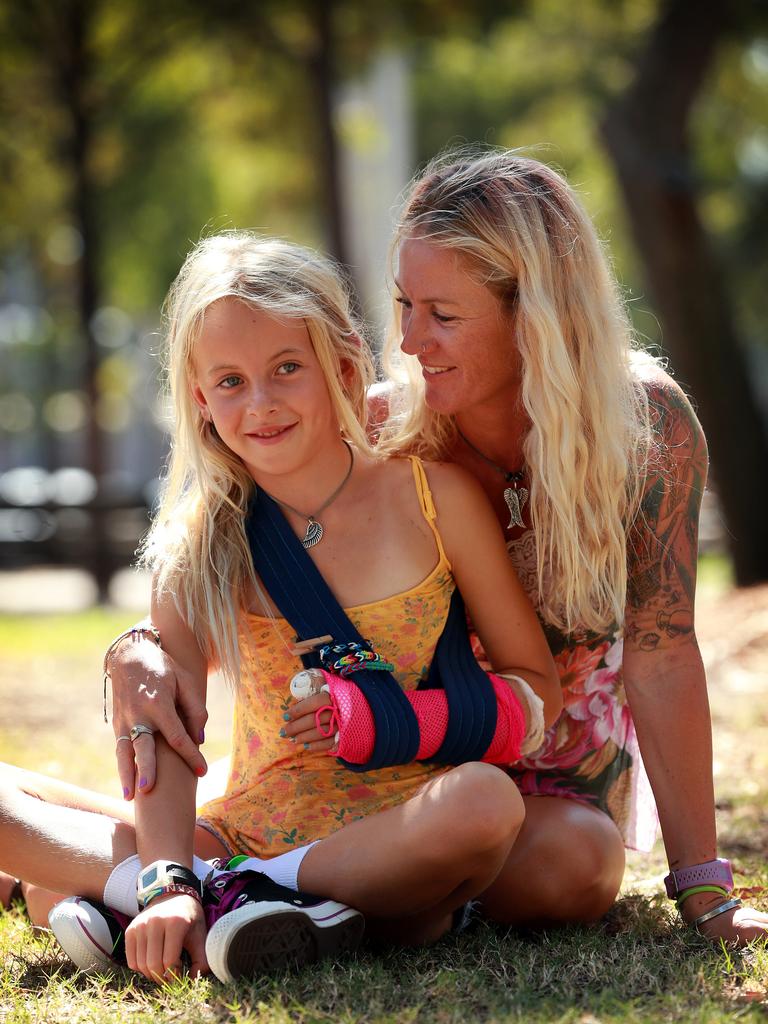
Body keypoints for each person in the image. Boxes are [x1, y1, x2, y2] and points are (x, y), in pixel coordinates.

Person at [101, 150, 768, 946]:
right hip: (383, 781)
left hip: (544, 778)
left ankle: (281, 897)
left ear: (537, 311)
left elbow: (661, 653)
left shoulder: (646, 429)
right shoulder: (386, 428)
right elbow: (221, 540)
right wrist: (134, 648)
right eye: (403, 304)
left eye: (442, 315)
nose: (409, 342)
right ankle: (242, 887)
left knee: (577, 871)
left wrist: (703, 888)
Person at [0, 232, 562, 984]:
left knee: (488, 804)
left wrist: (391, 721)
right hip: (245, 825)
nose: (260, 403)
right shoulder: (201, 539)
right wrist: (168, 879)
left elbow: (536, 689)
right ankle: (221, 900)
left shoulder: (434, 499)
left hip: (405, 820)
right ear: (199, 399)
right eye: (229, 382)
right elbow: (172, 736)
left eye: (287, 369)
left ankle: (203, 897)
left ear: (345, 366)